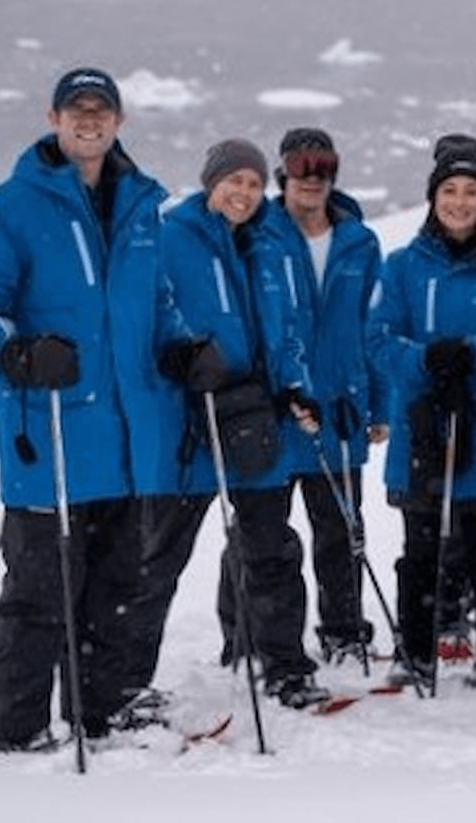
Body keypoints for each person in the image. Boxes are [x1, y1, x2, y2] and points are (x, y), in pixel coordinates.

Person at [0, 68, 180, 751]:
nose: (90, 120)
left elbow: (159, 303)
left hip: (124, 436)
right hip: (50, 432)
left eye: (102, 109)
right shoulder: (10, 206)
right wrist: (16, 353)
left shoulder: (142, 206)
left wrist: (179, 350)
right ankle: (17, 727)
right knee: (38, 594)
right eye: (77, 109)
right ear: (54, 116)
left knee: (117, 585)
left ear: (118, 120)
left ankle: (102, 709)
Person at [127, 139, 328, 709]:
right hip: (189, 423)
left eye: (252, 183)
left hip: (256, 423)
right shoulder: (170, 237)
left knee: (272, 550)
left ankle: (287, 670)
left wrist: (295, 384)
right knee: (158, 557)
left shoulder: (268, 246)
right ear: (210, 182)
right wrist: (180, 358)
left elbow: (285, 328)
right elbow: (146, 318)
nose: (242, 193)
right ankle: (123, 681)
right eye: (232, 181)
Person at [367, 135, 476, 690]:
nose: (460, 202)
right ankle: (415, 652)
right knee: (420, 549)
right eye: (450, 190)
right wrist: (425, 359)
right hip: (423, 427)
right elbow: (378, 341)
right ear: (433, 197)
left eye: (471, 192)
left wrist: (471, 352)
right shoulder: (402, 266)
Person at [262, 126, 384, 668]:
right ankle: (247, 636)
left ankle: (343, 630)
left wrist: (379, 403)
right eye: (301, 164)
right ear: (282, 171)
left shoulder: (360, 242)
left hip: (339, 405)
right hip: (275, 405)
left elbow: (373, 325)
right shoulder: (257, 234)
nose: (312, 177)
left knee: (340, 526)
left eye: (324, 166)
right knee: (262, 532)